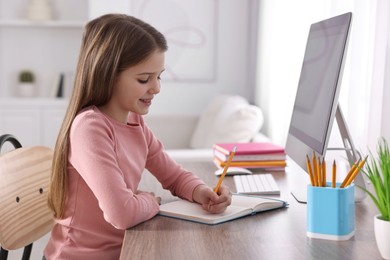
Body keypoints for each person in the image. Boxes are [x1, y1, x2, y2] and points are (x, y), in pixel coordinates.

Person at [44, 14, 232, 259]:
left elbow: (173, 176)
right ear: (108, 74)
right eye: (144, 79)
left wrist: (201, 191)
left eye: (159, 76)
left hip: (124, 249)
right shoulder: (90, 128)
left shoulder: (135, 121)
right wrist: (149, 200)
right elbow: (121, 214)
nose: (156, 88)